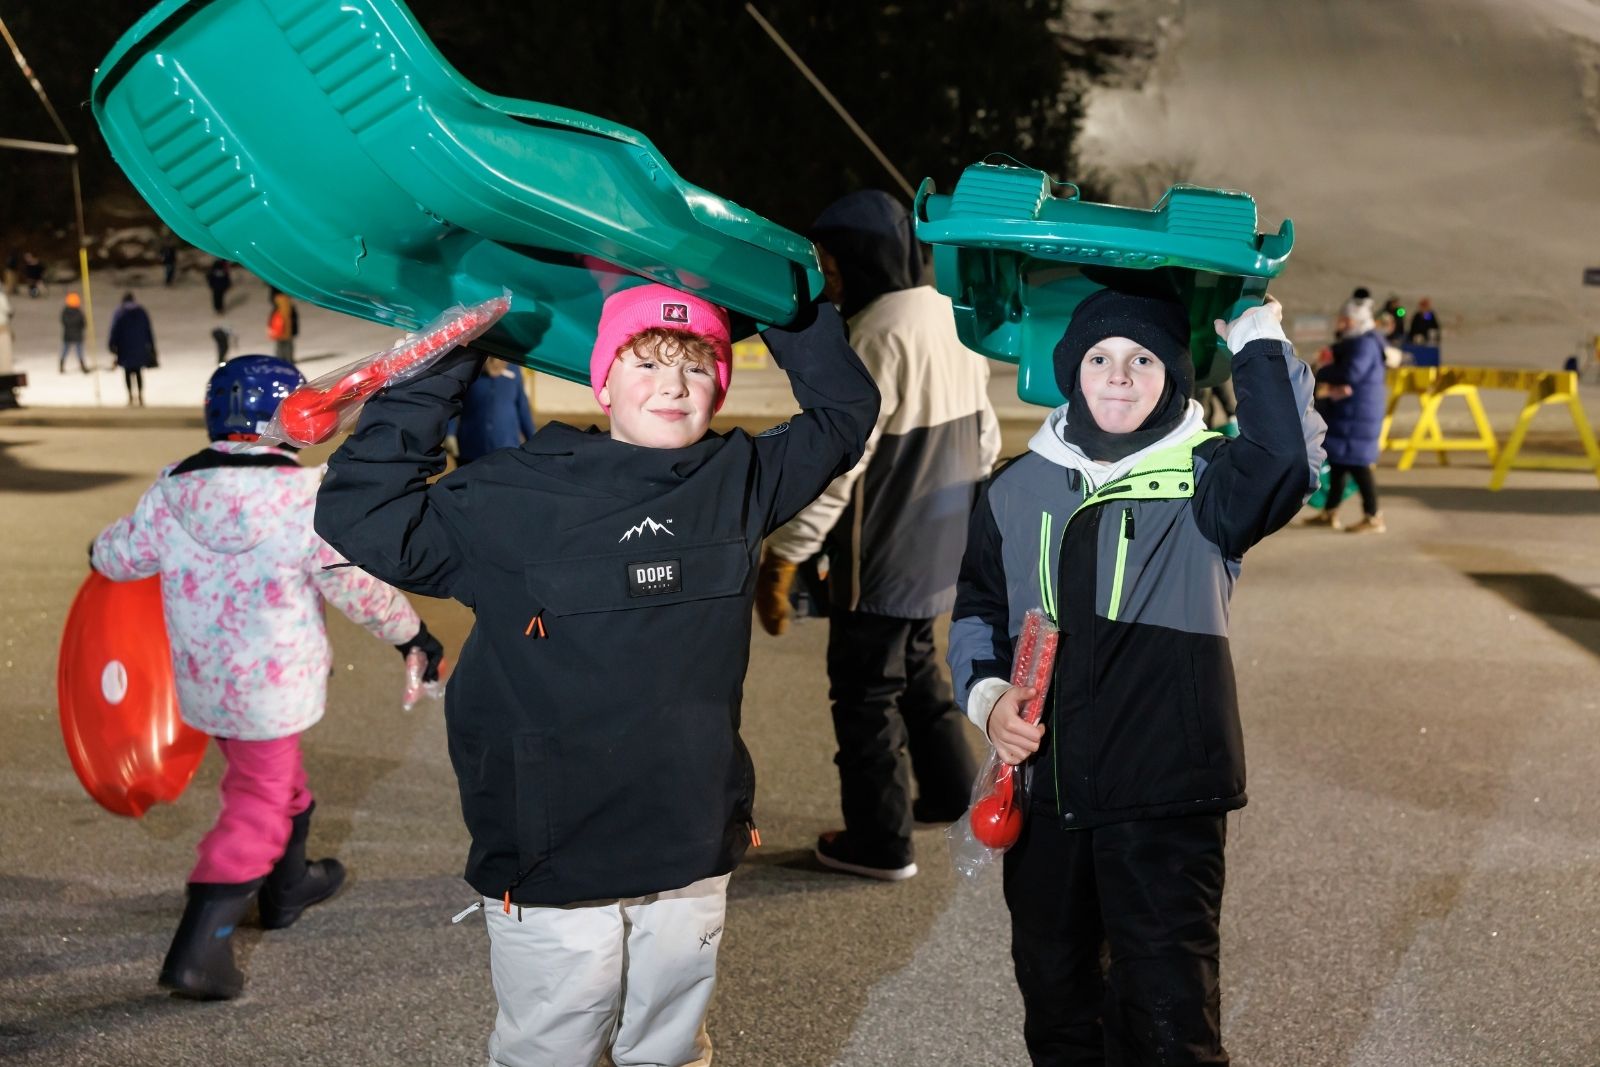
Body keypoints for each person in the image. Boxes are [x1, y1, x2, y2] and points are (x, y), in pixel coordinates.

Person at [314, 282, 877, 1066]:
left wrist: (791, 299)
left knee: (670, 1044)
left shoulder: (737, 481)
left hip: (688, 841)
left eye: (698, 365)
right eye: (646, 363)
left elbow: (843, 418)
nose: (675, 385)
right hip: (553, 854)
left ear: (721, 383)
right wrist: (449, 357)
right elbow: (360, 512)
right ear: (602, 381)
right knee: (555, 1042)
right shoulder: (515, 495)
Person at [947, 276, 1324, 1065]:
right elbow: (977, 612)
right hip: (1045, 795)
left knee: (1167, 1021)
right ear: (1071, 371)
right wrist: (988, 701)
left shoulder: (1212, 482)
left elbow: (1288, 456)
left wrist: (1256, 338)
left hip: (1166, 801)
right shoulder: (1013, 488)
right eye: (1100, 357)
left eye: (1144, 358)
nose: (1118, 374)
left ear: (1176, 378)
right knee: (1056, 1001)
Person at [89, 355, 445, 1001]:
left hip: (206, 686)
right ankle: (202, 948)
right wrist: (412, 634)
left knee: (271, 780)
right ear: (297, 420)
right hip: (275, 691)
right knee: (254, 806)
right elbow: (355, 586)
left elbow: (118, 556)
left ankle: (288, 887)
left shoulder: (173, 491)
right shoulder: (302, 497)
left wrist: (97, 549)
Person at [754, 190, 999, 881]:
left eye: (829, 261)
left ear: (859, 255)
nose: (826, 277)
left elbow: (840, 461)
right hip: (941, 543)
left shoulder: (873, 333)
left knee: (863, 693)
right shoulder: (950, 316)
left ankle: (880, 840)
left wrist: (788, 554)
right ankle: (952, 793)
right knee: (918, 668)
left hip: (881, 551)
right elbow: (982, 435)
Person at [1304, 299, 1387, 533]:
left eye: (1346, 320)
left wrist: (1323, 370)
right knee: (1340, 463)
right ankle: (1330, 512)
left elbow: (1352, 372)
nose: (1341, 323)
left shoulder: (1365, 344)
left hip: (1357, 414)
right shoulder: (1357, 342)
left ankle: (1373, 516)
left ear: (1358, 321)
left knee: (1359, 465)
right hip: (1350, 412)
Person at [447, 357, 537, 464]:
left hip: (506, 448)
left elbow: (523, 408)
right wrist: (450, 433)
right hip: (470, 447)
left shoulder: (514, 369)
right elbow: (457, 402)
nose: (494, 361)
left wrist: (533, 440)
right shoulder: (471, 367)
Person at [106, 291, 157, 406]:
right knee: (138, 372)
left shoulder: (120, 312)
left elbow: (114, 329)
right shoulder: (141, 312)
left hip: (125, 347)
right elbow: (148, 330)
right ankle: (140, 395)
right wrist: (152, 347)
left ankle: (130, 396)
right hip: (139, 346)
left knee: (128, 372)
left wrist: (111, 344)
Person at [268, 286, 298, 362]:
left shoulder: (282, 302)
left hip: (284, 327)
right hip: (284, 327)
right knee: (284, 342)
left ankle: (284, 359)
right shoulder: (283, 301)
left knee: (283, 342)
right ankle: (285, 359)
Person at [60, 292, 88, 373]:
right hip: (75, 335)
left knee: (67, 350)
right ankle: (81, 365)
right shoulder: (78, 312)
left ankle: (62, 364)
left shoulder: (66, 311)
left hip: (69, 335)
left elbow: (64, 321)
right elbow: (83, 323)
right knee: (77, 350)